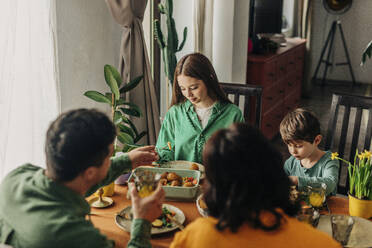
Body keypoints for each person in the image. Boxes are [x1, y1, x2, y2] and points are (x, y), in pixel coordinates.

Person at [129, 123, 341, 248]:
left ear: (213, 186)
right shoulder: (319, 243)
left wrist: (141, 223)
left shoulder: (194, 237)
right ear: (274, 169)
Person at [0, 109, 164, 248]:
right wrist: (142, 220)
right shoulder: (75, 234)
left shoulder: (16, 177)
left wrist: (126, 161)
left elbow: (74, 185)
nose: (111, 158)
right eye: (110, 155)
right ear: (90, 173)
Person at [156, 52, 244, 163]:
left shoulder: (233, 114)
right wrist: (158, 157)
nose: (188, 94)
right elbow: (165, 150)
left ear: (209, 79)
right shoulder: (175, 114)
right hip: (182, 179)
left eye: (194, 87)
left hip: (218, 180)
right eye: (182, 88)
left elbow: (240, 158)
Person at [279, 108, 339, 196]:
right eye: (289, 145)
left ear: (317, 140)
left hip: (326, 208)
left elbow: (329, 184)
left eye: (298, 146)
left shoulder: (329, 160)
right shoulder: (290, 163)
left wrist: (297, 181)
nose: (293, 151)